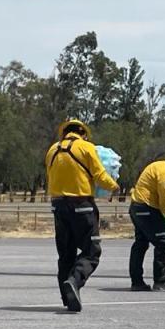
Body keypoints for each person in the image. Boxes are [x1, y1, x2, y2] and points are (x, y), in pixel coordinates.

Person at [46, 118, 119, 313]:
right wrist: (114, 187)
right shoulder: (87, 148)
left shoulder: (52, 150)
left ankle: (67, 296)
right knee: (91, 251)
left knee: (66, 253)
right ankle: (74, 282)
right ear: (83, 134)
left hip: (58, 205)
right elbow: (100, 175)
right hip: (81, 205)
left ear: (64, 133)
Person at [128, 150, 165, 292]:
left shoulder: (158, 165)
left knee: (140, 244)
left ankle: (137, 282)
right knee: (163, 242)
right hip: (147, 209)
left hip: (136, 207)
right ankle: (160, 281)